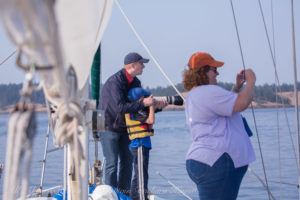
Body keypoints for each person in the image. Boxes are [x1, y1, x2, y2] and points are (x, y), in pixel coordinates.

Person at [182, 52, 256, 200]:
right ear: (203, 72)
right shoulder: (208, 92)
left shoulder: (195, 94)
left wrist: (236, 88)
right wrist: (251, 81)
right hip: (218, 161)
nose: (217, 73)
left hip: (205, 159)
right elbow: (242, 103)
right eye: (214, 70)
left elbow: (223, 108)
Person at [99, 52, 154, 195]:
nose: (143, 66)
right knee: (112, 164)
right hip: (107, 126)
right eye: (141, 63)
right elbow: (120, 107)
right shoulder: (115, 82)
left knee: (127, 162)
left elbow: (138, 106)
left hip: (125, 128)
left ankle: (124, 195)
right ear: (132, 65)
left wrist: (154, 106)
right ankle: (110, 196)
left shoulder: (136, 83)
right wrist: (143, 104)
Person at [125, 87, 167, 200]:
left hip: (142, 144)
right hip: (139, 144)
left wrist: (160, 106)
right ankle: (142, 198)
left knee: (139, 174)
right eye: (146, 97)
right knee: (142, 176)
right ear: (140, 99)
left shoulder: (138, 110)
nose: (149, 99)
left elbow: (148, 114)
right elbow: (151, 120)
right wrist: (152, 106)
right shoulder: (134, 112)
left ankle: (133, 197)